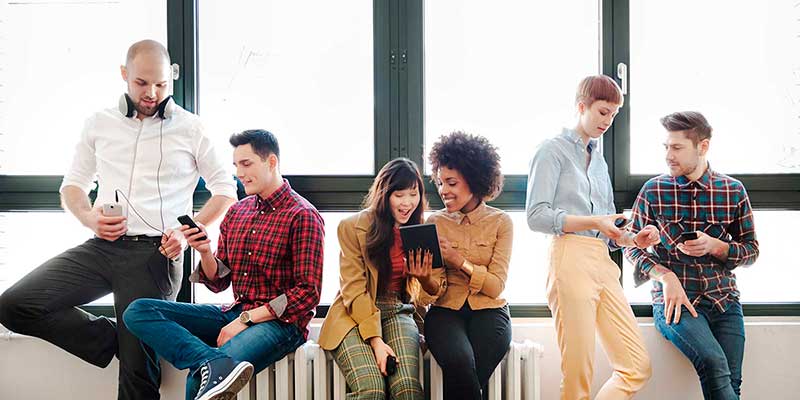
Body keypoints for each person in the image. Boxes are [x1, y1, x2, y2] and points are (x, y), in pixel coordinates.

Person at [0, 40, 236, 399]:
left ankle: (135, 347)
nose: (152, 93)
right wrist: (88, 217)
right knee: (14, 305)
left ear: (171, 78)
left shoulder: (191, 128)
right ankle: (117, 339)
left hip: (156, 255)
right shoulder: (99, 123)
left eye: (160, 84)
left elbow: (224, 189)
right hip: (103, 246)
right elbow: (72, 187)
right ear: (124, 75)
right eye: (142, 83)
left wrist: (186, 233)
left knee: (137, 378)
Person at [123, 129, 325, 400]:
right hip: (236, 310)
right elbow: (219, 281)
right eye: (236, 166)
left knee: (201, 380)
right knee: (138, 311)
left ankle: (210, 364)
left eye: (246, 164)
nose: (239, 174)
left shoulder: (303, 215)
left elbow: (306, 294)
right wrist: (205, 252)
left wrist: (246, 319)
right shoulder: (237, 212)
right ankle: (208, 360)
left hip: (281, 324)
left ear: (272, 162)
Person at [526, 75, 657, 400]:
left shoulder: (599, 161)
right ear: (581, 106)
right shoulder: (551, 151)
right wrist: (596, 221)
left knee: (636, 366)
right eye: (602, 112)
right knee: (578, 374)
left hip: (602, 260)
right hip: (568, 258)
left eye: (613, 115)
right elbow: (536, 216)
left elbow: (610, 229)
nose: (607, 121)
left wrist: (633, 239)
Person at [624, 111, 759, 400]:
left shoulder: (733, 191)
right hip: (676, 303)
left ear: (703, 147)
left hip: (725, 301)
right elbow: (630, 245)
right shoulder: (654, 190)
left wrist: (716, 246)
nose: (668, 156)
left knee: (732, 383)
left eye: (677, 147)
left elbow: (752, 250)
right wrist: (665, 276)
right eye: (666, 147)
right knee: (714, 362)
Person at [318, 157, 441, 400]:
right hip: (354, 314)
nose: (407, 203)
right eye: (399, 195)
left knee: (407, 388)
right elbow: (353, 291)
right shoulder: (352, 227)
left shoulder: (421, 230)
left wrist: (425, 279)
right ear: (384, 195)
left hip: (398, 310)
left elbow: (430, 294)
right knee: (372, 389)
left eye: (413, 194)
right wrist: (376, 342)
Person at [421, 131, 512, 400]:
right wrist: (423, 277)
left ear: (473, 179)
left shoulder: (501, 223)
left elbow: (495, 286)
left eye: (451, 182)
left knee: (468, 375)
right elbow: (430, 293)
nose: (443, 191)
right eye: (439, 183)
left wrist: (458, 262)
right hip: (445, 312)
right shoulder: (433, 223)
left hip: (490, 312)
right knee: (460, 365)